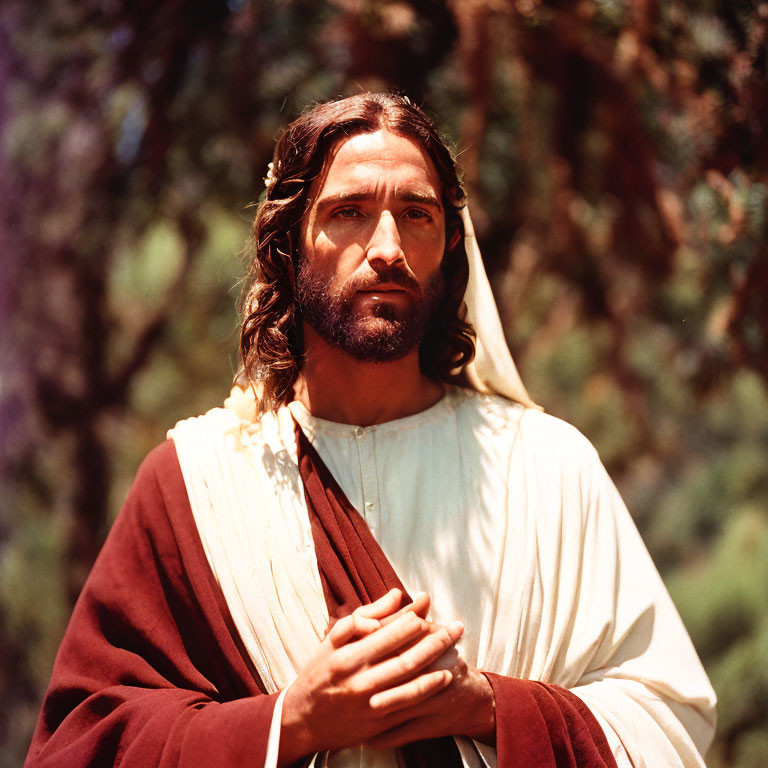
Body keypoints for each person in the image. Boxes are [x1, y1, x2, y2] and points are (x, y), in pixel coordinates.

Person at [25, 92, 716, 768]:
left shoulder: (547, 468)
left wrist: (484, 708)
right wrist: (291, 722)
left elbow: (668, 719)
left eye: (415, 215)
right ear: (289, 245)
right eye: (349, 212)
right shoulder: (195, 485)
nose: (386, 247)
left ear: (449, 246)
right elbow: (85, 739)